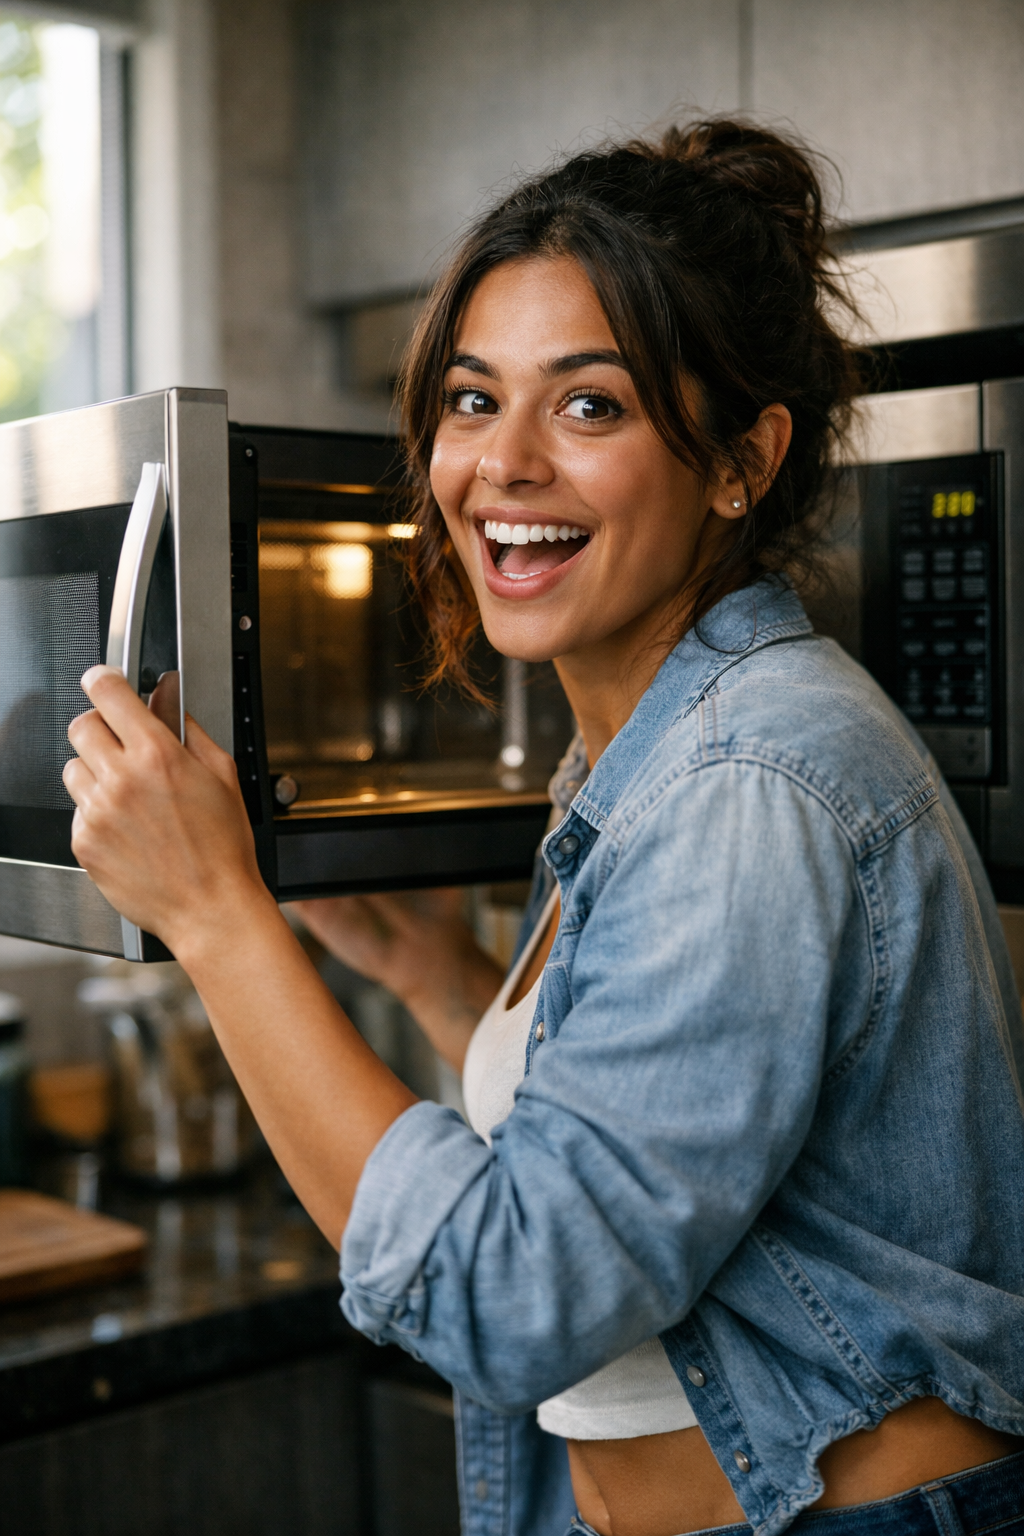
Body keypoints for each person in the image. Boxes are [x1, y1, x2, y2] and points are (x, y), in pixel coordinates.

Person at [63, 120, 1024, 1536]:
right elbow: (651, 1159)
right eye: (470, 399)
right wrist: (438, 982)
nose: (503, 465)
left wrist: (217, 918)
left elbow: (515, 1299)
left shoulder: (749, 776)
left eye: (591, 407)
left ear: (742, 461)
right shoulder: (636, 757)